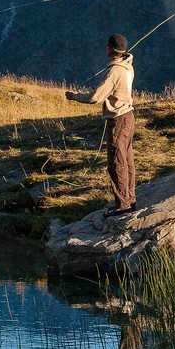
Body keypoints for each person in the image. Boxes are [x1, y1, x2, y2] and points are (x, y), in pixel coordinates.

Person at [66, 33, 136, 214]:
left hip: (118, 119)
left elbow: (95, 97)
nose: (106, 48)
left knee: (116, 162)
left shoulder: (115, 71)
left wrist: (74, 96)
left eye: (108, 46)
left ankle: (123, 204)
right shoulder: (128, 67)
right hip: (128, 116)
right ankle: (130, 198)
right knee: (127, 160)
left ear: (112, 49)